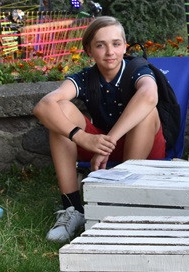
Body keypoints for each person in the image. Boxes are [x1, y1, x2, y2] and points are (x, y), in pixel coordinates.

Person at [33, 16, 165, 242]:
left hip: (143, 146)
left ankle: (123, 202)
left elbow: (149, 95)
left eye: (116, 44)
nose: (109, 52)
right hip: (100, 145)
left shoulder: (138, 69)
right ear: (88, 51)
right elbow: (43, 106)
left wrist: (107, 142)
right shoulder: (85, 78)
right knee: (59, 110)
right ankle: (72, 209)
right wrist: (83, 137)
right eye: (100, 45)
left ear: (125, 46)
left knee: (147, 111)